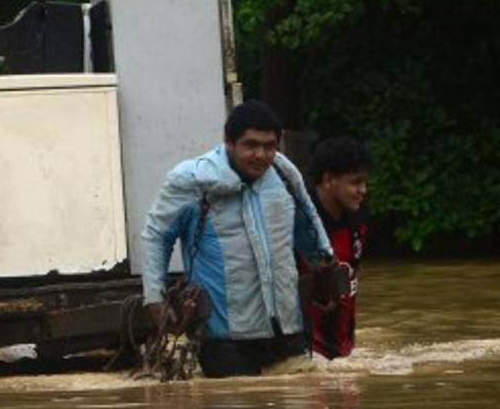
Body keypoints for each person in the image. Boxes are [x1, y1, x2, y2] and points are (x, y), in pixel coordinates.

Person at [140, 100, 334, 377]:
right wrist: (154, 298)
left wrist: (325, 265)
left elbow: (307, 224)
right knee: (237, 401)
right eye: (251, 145)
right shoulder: (192, 179)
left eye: (269, 146)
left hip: (287, 327)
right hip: (223, 338)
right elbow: (156, 237)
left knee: (296, 399)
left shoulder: (283, 173)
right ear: (229, 142)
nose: (261, 155)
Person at [304, 137, 370, 359]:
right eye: (355, 182)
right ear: (328, 180)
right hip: (305, 347)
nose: (363, 190)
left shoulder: (358, 218)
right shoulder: (298, 221)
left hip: (343, 346)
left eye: (365, 183)